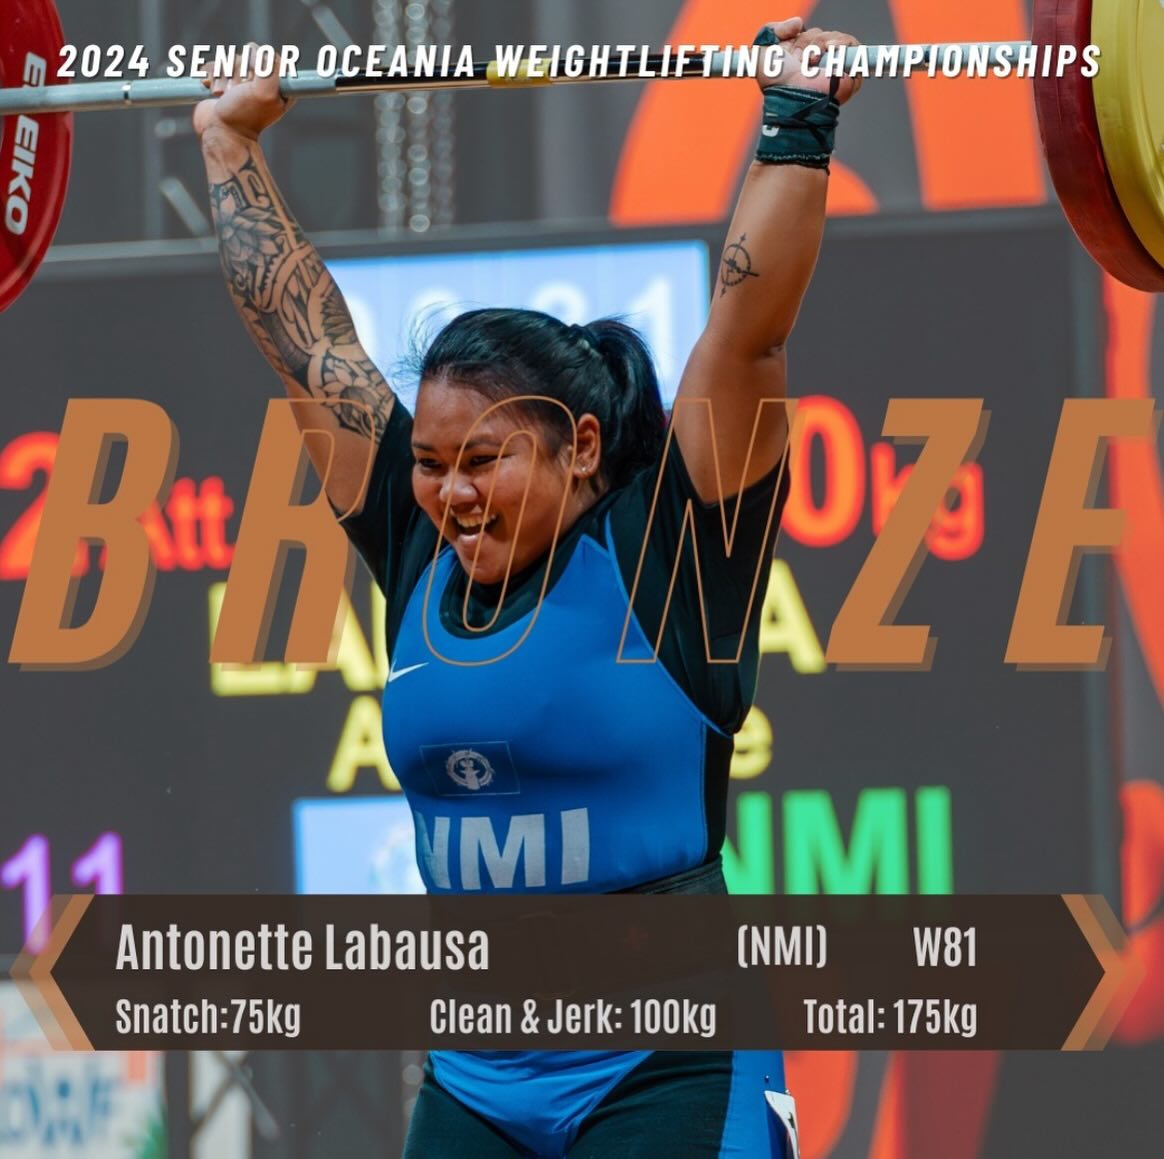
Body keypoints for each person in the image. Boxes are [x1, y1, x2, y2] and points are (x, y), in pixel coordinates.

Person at [196, 17, 860, 1158]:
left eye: (483, 461)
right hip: (479, 1071)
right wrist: (227, 143)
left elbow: (748, 336)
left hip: (669, 1055)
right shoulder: (415, 545)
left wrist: (798, 119)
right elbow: (308, 347)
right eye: (429, 462)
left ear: (583, 446)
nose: (448, 494)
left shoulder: (672, 551)